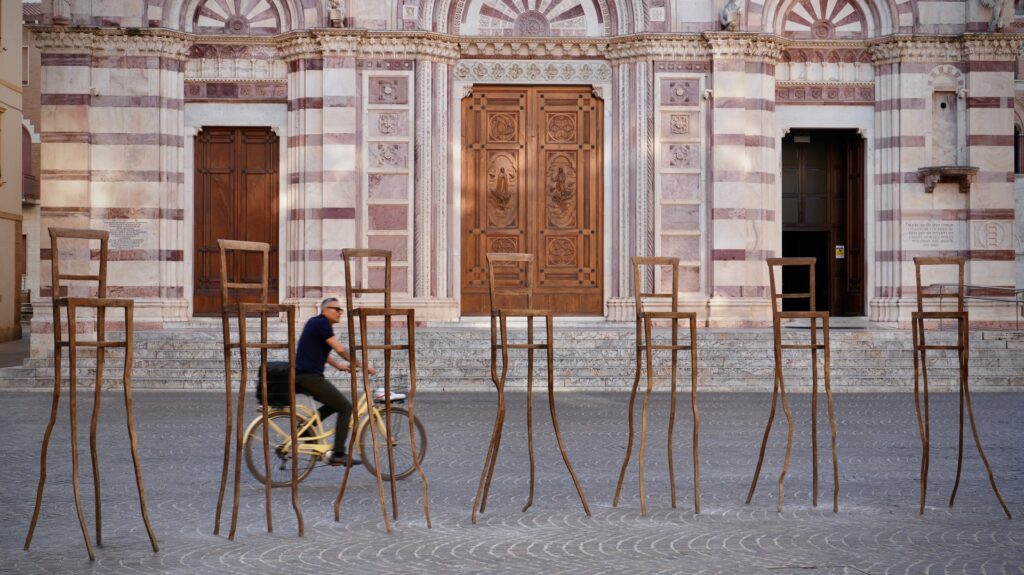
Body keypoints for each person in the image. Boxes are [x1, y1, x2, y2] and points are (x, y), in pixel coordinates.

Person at [295, 297, 393, 466]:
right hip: (307, 376)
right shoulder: (322, 323)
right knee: (346, 408)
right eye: (337, 309)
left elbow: (321, 352)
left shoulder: (317, 323)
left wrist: (339, 366)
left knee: (334, 404)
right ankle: (338, 453)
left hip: (305, 375)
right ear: (325, 309)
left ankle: (305, 429)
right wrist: (362, 364)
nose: (340, 313)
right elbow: (340, 349)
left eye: (341, 310)